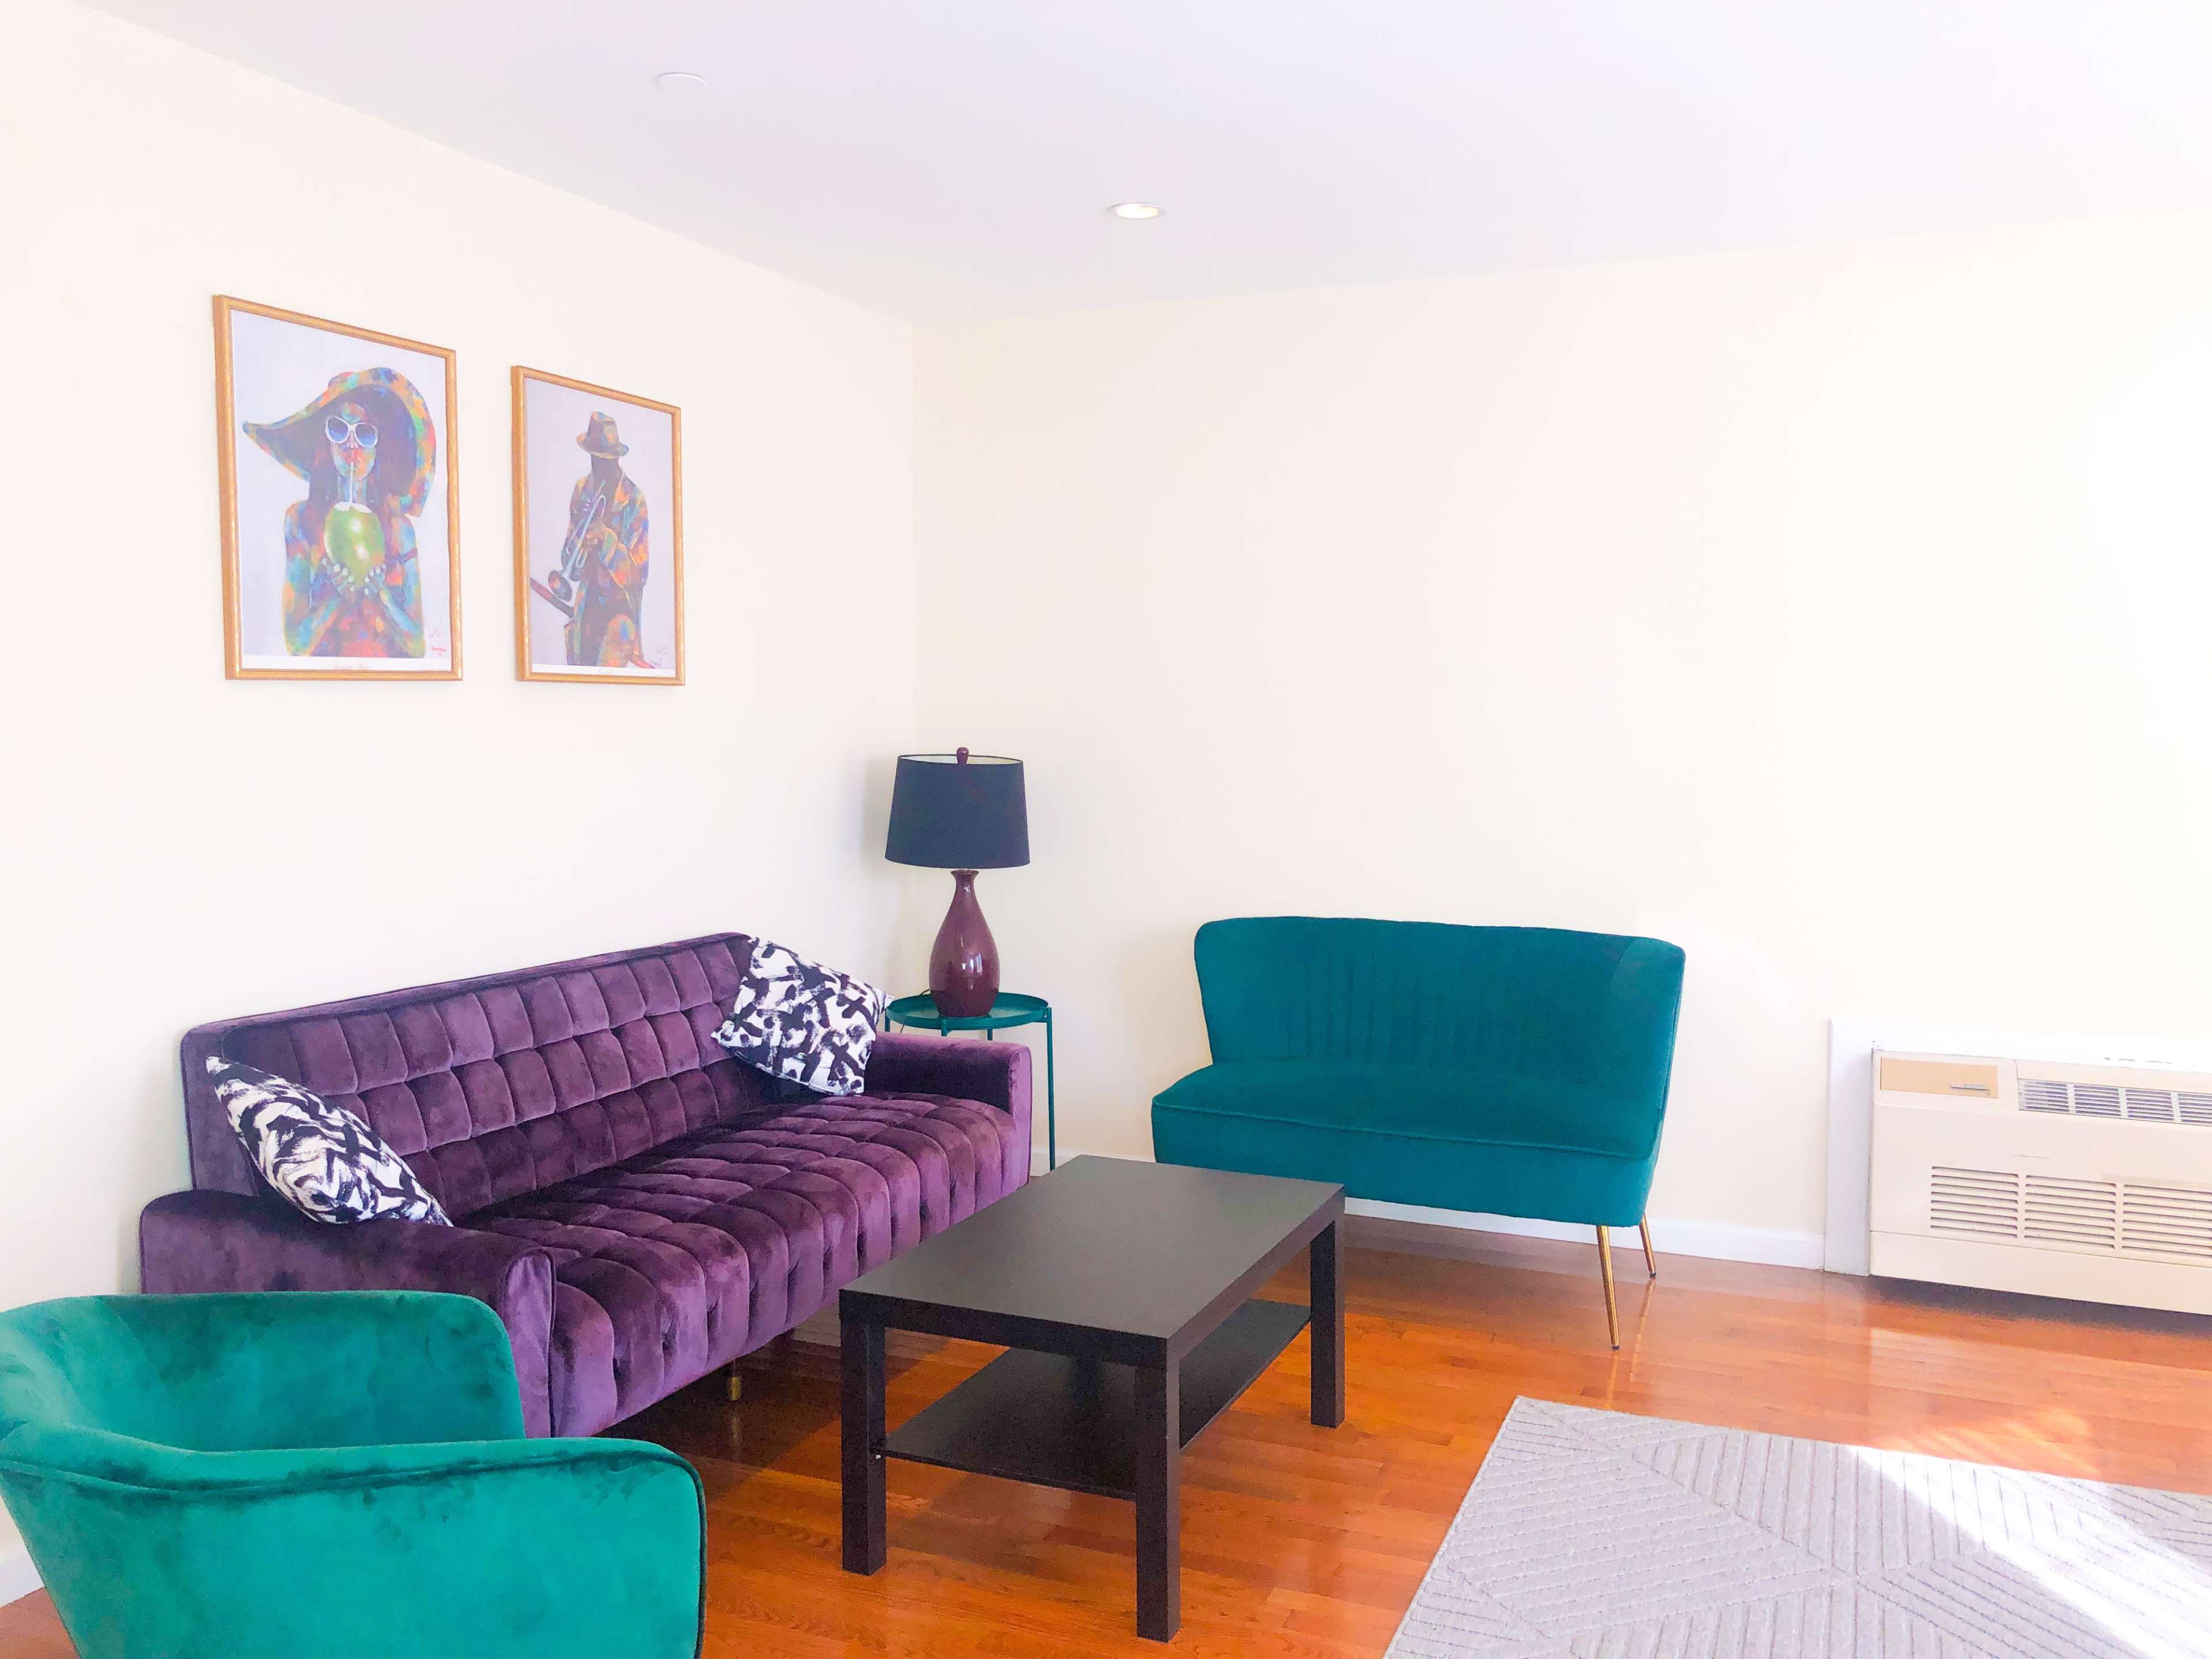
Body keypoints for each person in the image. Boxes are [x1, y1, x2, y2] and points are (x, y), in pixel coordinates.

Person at [244, 368, 435, 658]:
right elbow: (296, 644)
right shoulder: (301, 521)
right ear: (326, 440)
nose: (351, 444)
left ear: (379, 446)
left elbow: (418, 644)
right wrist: (336, 598)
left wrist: (381, 596)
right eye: (339, 430)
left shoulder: (400, 530)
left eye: (365, 432)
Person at [551, 411, 650, 668]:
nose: (600, 466)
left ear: (617, 458)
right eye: (596, 458)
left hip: (620, 618)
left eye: (606, 459)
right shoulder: (582, 490)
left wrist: (606, 540)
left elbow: (638, 574)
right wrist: (578, 545)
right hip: (585, 615)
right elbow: (568, 562)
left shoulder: (634, 499)